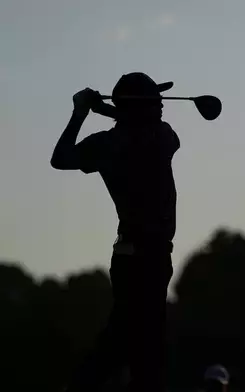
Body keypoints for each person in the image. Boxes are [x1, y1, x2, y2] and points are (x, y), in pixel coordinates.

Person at [52, 72, 181, 392]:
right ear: (140, 107)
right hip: (146, 257)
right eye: (155, 99)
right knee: (137, 346)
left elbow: (61, 157)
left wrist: (82, 112)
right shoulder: (159, 137)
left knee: (134, 344)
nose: (162, 104)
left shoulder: (106, 144)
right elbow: (139, 129)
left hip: (133, 257)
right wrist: (102, 110)